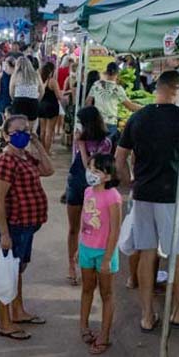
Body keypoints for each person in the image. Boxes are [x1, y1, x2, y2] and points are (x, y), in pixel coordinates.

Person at [115, 70, 179, 332]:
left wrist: (130, 181)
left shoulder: (138, 116)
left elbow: (119, 159)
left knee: (147, 252)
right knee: (178, 254)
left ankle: (146, 315)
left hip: (142, 195)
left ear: (159, 88)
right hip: (171, 198)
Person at [0, 114, 54, 341]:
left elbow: (48, 170)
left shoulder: (26, 156)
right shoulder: (6, 161)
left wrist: (37, 142)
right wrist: (5, 233)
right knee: (7, 273)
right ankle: (4, 322)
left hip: (28, 225)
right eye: (17, 131)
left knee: (18, 270)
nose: (23, 135)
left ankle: (17, 312)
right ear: (7, 135)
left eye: (26, 130)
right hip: (15, 226)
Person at [78, 153, 122, 355]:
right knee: (87, 288)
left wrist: (107, 258)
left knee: (107, 293)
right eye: (89, 169)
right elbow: (83, 218)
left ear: (107, 175)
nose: (91, 174)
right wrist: (79, 247)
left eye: (96, 170)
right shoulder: (88, 191)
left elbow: (115, 229)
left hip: (105, 251)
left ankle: (104, 335)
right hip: (87, 248)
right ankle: (84, 326)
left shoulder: (113, 197)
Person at [65, 106, 113, 285]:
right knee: (73, 227)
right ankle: (71, 264)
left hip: (94, 188)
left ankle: (91, 264)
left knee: (93, 226)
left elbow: (91, 167)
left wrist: (82, 147)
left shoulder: (104, 142)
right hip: (76, 182)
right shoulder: (81, 139)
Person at [86, 62, 141, 142]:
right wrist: (145, 108)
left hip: (97, 121)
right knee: (107, 148)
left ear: (106, 72)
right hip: (110, 123)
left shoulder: (96, 84)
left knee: (96, 147)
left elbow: (88, 102)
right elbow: (130, 106)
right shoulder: (118, 88)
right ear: (117, 74)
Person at [37, 62, 64, 152]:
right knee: (49, 131)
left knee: (42, 130)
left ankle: (42, 151)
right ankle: (47, 151)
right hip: (51, 106)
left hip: (41, 106)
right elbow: (59, 96)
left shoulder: (39, 80)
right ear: (52, 71)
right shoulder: (52, 81)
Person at [9, 55, 43, 126]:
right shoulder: (36, 74)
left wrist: (14, 99)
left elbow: (11, 91)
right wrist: (37, 100)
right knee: (29, 127)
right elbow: (42, 90)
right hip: (33, 102)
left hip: (19, 102)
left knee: (19, 127)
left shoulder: (15, 75)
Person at [0, 57, 14, 126]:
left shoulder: (1, 75)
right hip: (14, 101)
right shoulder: (17, 75)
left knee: (4, 122)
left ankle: (4, 135)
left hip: (3, 101)